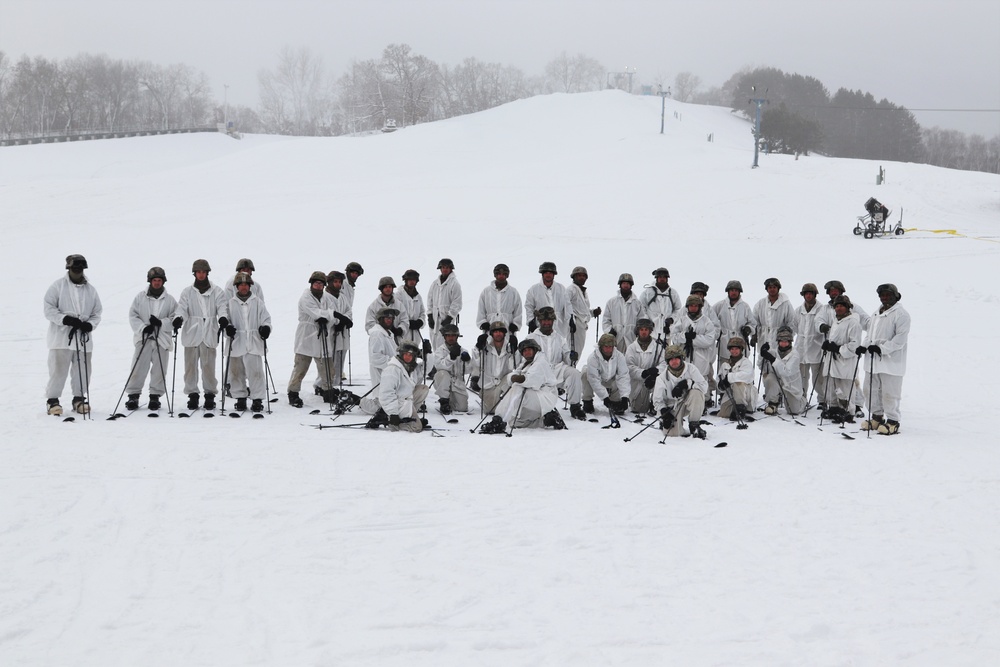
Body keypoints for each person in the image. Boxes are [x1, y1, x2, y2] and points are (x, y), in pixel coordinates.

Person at [44, 254, 103, 416]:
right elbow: (49, 309)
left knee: (83, 369)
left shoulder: (91, 290)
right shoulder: (57, 286)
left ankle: (79, 398)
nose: (78, 270)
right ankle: (53, 400)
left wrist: (90, 324)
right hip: (62, 337)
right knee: (58, 369)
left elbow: (97, 312)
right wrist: (65, 319)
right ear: (68, 268)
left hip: (83, 337)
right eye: (74, 267)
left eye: (80, 268)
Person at [175, 259, 228, 412]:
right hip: (192, 331)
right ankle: (192, 394)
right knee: (190, 366)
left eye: (203, 272)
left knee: (208, 366)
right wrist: (179, 318)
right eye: (198, 272)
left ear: (207, 273)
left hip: (209, 331)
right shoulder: (187, 292)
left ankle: (210, 395)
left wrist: (223, 317)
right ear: (194, 273)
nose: (201, 274)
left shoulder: (217, 291)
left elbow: (222, 307)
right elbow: (182, 308)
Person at [124, 267, 178, 412]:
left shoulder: (171, 300)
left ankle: (155, 396)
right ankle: (133, 395)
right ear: (150, 281)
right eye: (154, 280)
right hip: (144, 338)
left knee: (160, 369)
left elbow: (175, 318)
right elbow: (133, 315)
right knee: (138, 366)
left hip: (162, 339)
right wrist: (143, 328)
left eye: (159, 280)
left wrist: (161, 323)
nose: (157, 283)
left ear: (163, 281)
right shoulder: (140, 298)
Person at [485, 338, 564, 432]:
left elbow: (532, 381)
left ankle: (499, 421)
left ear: (535, 350)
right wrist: (514, 378)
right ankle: (547, 421)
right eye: (524, 351)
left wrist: (520, 378)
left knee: (518, 387)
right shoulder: (526, 364)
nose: (527, 353)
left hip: (545, 397)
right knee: (514, 422)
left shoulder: (540, 363)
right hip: (534, 398)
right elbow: (512, 375)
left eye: (529, 350)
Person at [861, 283, 910, 435]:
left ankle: (893, 421)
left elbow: (899, 340)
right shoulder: (877, 313)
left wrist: (882, 349)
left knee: (889, 393)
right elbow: (870, 334)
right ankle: (876, 417)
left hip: (891, 362)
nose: (884, 297)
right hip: (873, 361)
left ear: (895, 295)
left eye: (888, 295)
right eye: (882, 295)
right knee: (870, 390)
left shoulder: (901, 314)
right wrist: (864, 345)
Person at [287, 271, 338, 408]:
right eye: (316, 283)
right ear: (311, 283)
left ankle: (328, 391)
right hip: (306, 336)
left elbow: (332, 313)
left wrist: (327, 317)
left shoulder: (327, 298)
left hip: (323, 335)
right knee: (301, 367)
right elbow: (316, 313)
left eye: (321, 283)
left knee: (327, 367)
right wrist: (325, 316)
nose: (318, 285)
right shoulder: (305, 297)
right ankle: (293, 392)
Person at [223, 272, 272, 413]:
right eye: (241, 285)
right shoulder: (230, 303)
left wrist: (265, 328)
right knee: (236, 372)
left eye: (246, 284)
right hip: (236, 342)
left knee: (256, 372)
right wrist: (228, 328)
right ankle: (240, 398)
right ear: (236, 287)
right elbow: (225, 319)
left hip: (253, 341)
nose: (243, 287)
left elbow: (266, 318)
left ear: (250, 286)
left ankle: (257, 400)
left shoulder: (257, 302)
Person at [526, 306, 585, 420]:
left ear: (553, 321)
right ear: (540, 321)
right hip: (540, 372)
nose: (546, 323)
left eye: (549, 320)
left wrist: (571, 356)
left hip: (557, 369)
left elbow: (566, 356)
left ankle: (575, 406)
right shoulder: (531, 337)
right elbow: (525, 358)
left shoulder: (560, 337)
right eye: (544, 320)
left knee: (574, 373)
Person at [363, 341, 430, 433]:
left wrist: (428, 354)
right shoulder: (392, 370)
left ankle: (409, 417)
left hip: (407, 400)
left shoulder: (411, 368)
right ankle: (393, 419)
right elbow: (386, 393)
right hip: (398, 403)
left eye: (411, 355)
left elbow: (426, 369)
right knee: (416, 427)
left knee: (423, 389)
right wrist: (393, 414)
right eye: (405, 354)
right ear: (400, 354)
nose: (408, 357)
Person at [669, 295, 719, 409]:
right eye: (691, 305)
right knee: (684, 377)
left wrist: (694, 339)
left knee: (701, 378)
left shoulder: (706, 321)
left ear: (700, 307)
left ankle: (702, 402)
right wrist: (685, 336)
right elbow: (674, 337)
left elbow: (710, 339)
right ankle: (683, 402)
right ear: (687, 307)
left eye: (696, 305)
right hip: (685, 355)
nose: (693, 308)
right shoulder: (682, 320)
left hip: (701, 356)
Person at [819, 295, 863, 423]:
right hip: (833, 360)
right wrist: (827, 345)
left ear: (847, 307)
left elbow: (854, 344)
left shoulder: (853, 322)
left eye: (841, 306)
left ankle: (848, 412)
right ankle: (834, 408)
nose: (838, 308)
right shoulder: (836, 321)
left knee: (845, 387)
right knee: (832, 384)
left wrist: (838, 349)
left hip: (845, 361)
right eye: (836, 306)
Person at [653, 344, 709, 438]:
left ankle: (694, 425)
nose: (674, 361)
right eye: (671, 359)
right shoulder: (661, 378)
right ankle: (667, 424)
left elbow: (704, 387)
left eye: (676, 358)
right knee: (672, 434)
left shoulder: (691, 369)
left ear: (681, 358)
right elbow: (657, 400)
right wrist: (664, 412)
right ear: (667, 361)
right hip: (672, 407)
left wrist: (687, 384)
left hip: (688, 402)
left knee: (697, 393)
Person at [713, 280, 757, 383]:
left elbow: (753, 323)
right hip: (725, 340)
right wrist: (718, 330)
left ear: (739, 292)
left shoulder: (745, 306)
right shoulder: (719, 305)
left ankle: (743, 388)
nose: (733, 292)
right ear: (728, 291)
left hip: (740, 339)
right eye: (731, 290)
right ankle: (723, 392)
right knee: (724, 364)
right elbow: (710, 319)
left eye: (736, 290)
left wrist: (748, 329)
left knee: (741, 365)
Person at [759, 326, 805, 415]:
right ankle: (773, 403)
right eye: (781, 341)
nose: (783, 344)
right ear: (778, 342)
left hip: (791, 385)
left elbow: (786, 372)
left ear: (790, 342)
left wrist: (772, 359)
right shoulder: (773, 352)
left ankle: (802, 400)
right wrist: (762, 352)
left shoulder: (795, 355)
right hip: (777, 381)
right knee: (769, 378)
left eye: (786, 342)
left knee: (793, 411)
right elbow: (762, 366)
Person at [471, 321, 515, 414]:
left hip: (504, 381)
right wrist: (478, 346)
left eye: (500, 331)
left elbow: (514, 366)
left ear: (504, 333)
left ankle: (507, 401)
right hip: (488, 384)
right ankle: (488, 398)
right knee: (491, 410)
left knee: (512, 380)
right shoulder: (485, 347)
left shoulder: (510, 347)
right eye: (495, 332)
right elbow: (477, 363)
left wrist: (515, 350)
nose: (498, 334)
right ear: (491, 334)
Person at [582, 333, 631, 416]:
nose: (608, 350)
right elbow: (594, 379)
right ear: (601, 347)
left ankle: (615, 400)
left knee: (617, 405)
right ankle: (587, 401)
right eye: (606, 347)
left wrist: (625, 397)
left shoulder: (620, 356)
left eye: (610, 347)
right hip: (598, 379)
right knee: (585, 374)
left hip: (611, 380)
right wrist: (604, 397)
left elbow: (623, 376)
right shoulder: (592, 358)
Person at [752, 278, 797, 366]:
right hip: (764, 338)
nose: (772, 289)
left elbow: (791, 322)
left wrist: (787, 336)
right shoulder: (760, 304)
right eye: (770, 287)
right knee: (764, 365)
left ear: (778, 288)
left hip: (780, 341)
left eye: (774, 287)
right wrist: (754, 335)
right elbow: (754, 321)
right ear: (767, 289)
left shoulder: (786, 304)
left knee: (780, 365)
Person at [625, 318, 665, 417]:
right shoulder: (631, 348)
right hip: (637, 383)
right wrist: (643, 373)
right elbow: (629, 367)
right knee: (638, 409)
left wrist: (656, 371)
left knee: (661, 384)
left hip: (654, 382)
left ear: (650, 331)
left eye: (646, 330)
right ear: (637, 331)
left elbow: (664, 364)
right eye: (641, 330)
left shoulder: (658, 347)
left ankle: (656, 404)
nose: (643, 332)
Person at [476, 263, 523, 346]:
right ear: (495, 275)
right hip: (490, 325)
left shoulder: (513, 292)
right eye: (499, 274)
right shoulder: (486, 292)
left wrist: (515, 324)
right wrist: (482, 322)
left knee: (507, 349)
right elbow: (481, 309)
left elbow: (518, 310)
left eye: (503, 274)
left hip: (507, 326)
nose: (501, 276)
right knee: (490, 349)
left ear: (507, 275)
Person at [525, 261, 572, 341]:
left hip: (559, 326)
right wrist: (531, 321)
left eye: (550, 273)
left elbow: (567, 305)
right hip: (541, 325)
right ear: (542, 274)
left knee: (557, 348)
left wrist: (571, 320)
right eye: (546, 272)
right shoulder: (533, 289)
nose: (548, 275)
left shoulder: (561, 288)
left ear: (554, 274)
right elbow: (529, 306)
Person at [795, 283, 825, 407]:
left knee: (818, 378)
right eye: (806, 293)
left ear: (814, 294)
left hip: (816, 347)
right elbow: (794, 326)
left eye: (810, 293)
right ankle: (802, 398)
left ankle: (822, 400)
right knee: (802, 376)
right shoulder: (798, 310)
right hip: (801, 347)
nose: (808, 295)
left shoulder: (822, 309)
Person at [602, 273, 647, 353]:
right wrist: (609, 331)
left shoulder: (637, 303)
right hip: (615, 339)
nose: (626, 285)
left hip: (631, 339)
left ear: (631, 285)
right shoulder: (611, 302)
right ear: (620, 285)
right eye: (624, 283)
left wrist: (638, 331)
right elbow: (606, 320)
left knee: (631, 361)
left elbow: (642, 320)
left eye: (627, 284)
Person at [432, 323, 472, 414]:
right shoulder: (439, 351)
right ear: (444, 337)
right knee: (443, 373)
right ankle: (444, 400)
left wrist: (468, 361)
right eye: (448, 335)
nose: (451, 338)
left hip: (457, 383)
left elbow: (469, 370)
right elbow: (439, 365)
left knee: (462, 408)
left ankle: (451, 400)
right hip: (443, 382)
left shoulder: (463, 351)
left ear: (457, 336)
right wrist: (451, 357)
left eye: (453, 335)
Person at [567, 266, 601, 366]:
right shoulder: (571, 289)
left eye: (583, 276)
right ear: (574, 277)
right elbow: (565, 305)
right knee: (572, 350)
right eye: (579, 275)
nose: (581, 278)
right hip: (574, 324)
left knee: (578, 351)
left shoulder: (583, 291)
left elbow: (583, 310)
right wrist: (570, 319)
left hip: (582, 325)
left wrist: (593, 312)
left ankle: (572, 369)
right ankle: (569, 371)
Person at [426, 258, 462, 349]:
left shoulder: (454, 283)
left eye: (447, 267)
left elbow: (457, 302)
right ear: (440, 269)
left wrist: (449, 317)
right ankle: (436, 362)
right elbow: (429, 300)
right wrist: (430, 315)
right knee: (434, 343)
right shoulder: (435, 284)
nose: (445, 269)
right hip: (435, 319)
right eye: (443, 267)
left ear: (451, 269)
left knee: (446, 344)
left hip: (447, 319)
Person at [717, 337, 755, 422]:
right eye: (732, 349)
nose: (734, 351)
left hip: (745, 393)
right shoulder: (725, 365)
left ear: (741, 349)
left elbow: (747, 376)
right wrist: (721, 386)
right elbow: (719, 379)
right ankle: (735, 409)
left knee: (738, 383)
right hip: (731, 393)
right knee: (723, 414)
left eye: (737, 349)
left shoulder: (746, 362)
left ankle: (741, 408)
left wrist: (728, 378)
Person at [641, 267, 683, 338]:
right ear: (656, 278)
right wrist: (647, 321)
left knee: (667, 349)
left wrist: (671, 319)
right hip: (651, 333)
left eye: (664, 277)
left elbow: (678, 309)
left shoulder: (673, 293)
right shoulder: (647, 292)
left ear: (667, 278)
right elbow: (641, 308)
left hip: (667, 333)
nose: (662, 279)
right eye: (660, 277)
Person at [365, 307, 399, 390]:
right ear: (380, 319)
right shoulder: (377, 334)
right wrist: (395, 363)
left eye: (391, 318)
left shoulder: (389, 334)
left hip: (392, 379)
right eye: (387, 318)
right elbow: (375, 358)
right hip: (382, 382)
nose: (389, 320)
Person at [395, 269, 426, 347]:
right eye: (409, 279)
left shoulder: (418, 297)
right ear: (405, 280)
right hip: (402, 334)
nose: (412, 281)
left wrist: (420, 322)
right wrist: (407, 323)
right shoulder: (399, 295)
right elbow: (396, 313)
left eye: (414, 280)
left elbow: (422, 312)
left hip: (415, 335)